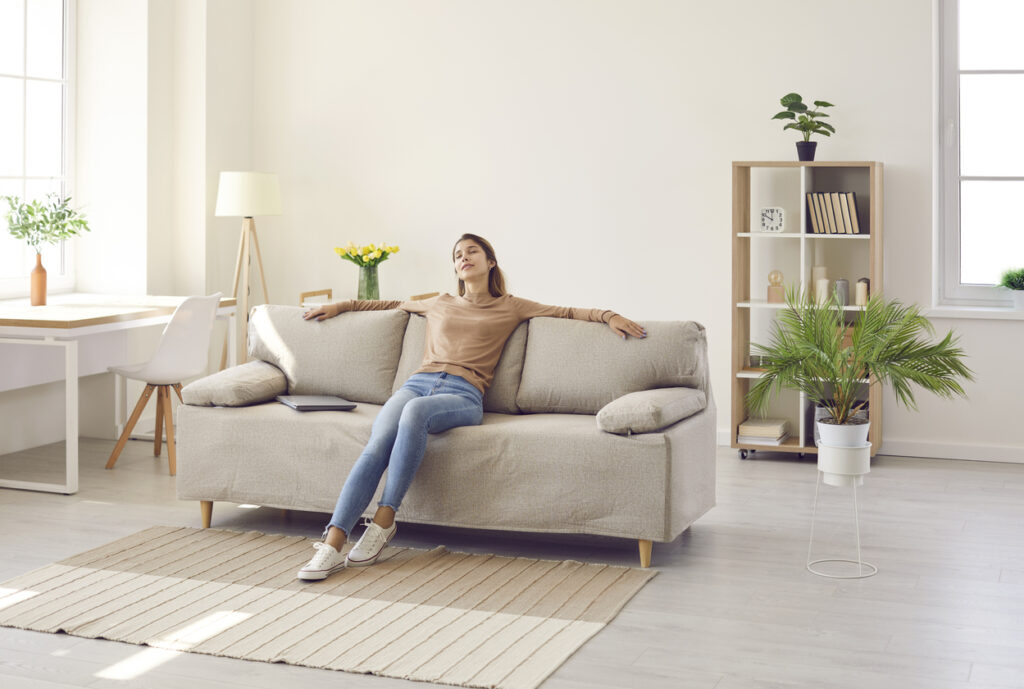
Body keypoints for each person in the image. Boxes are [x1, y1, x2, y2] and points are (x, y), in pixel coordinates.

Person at [295, 233, 646, 580]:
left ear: (490, 262)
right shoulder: (440, 302)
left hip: (463, 395)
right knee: (377, 443)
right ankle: (332, 542)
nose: (463, 257)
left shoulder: (512, 305)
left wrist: (608, 315)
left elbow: (567, 311)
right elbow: (387, 305)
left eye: (472, 251)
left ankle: (385, 520)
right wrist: (340, 306)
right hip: (416, 384)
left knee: (413, 414)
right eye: (458, 254)